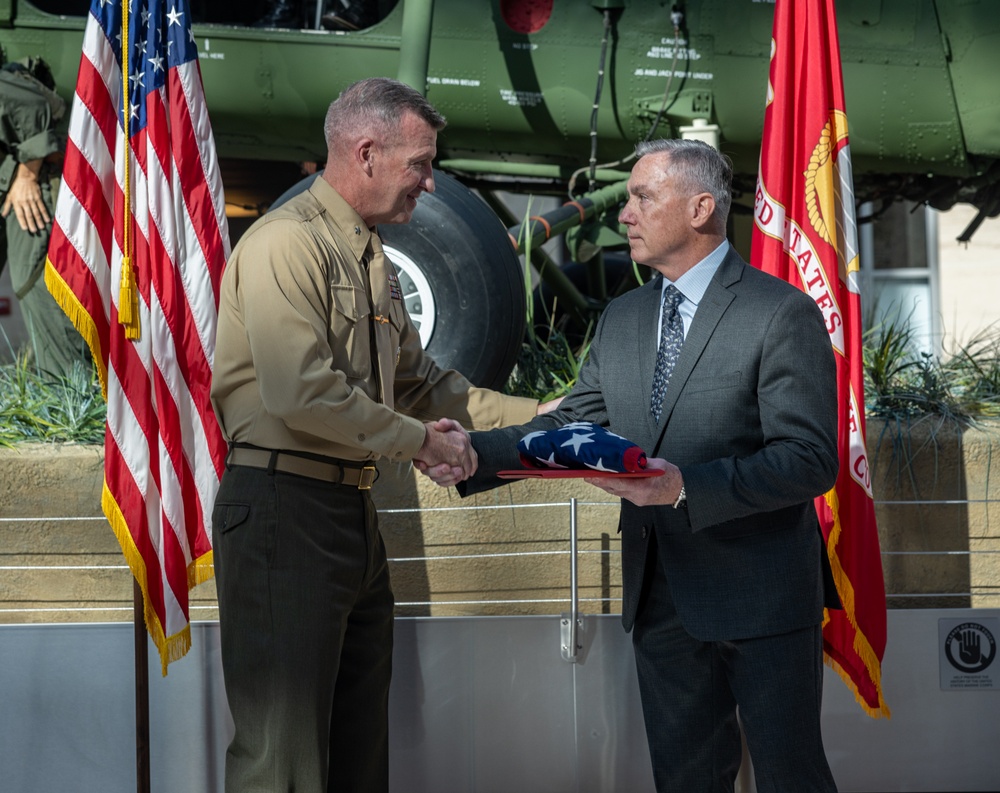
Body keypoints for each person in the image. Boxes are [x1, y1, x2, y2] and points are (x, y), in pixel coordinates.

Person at [421, 138, 842, 792]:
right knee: (684, 780)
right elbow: (569, 425)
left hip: (763, 598)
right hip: (660, 596)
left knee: (792, 778)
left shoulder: (779, 312)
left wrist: (682, 487)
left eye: (643, 196)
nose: (624, 215)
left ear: (701, 207)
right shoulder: (624, 316)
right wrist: (474, 453)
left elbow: (809, 459)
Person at [210, 77, 544, 792]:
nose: (429, 182)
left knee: (360, 759)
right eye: (420, 164)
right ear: (365, 153)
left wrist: (552, 416)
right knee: (285, 765)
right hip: (282, 510)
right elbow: (300, 392)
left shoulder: (374, 262)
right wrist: (420, 441)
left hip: (351, 515)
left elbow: (426, 387)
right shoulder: (284, 244)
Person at [0, 57, 86, 376]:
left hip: (28, 194)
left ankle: (72, 408)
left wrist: (26, 175)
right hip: (9, 196)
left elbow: (33, 103)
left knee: (36, 290)